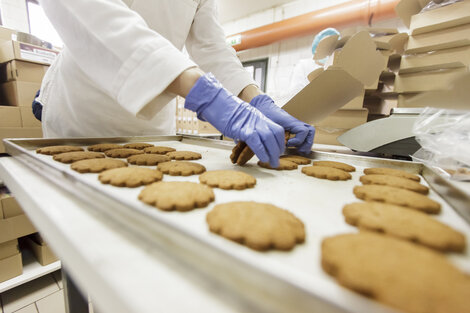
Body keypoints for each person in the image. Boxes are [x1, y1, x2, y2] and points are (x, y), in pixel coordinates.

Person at [37, 0, 315, 168]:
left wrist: (254, 98)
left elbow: (211, 45)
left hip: (152, 128)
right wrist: (206, 95)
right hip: (83, 116)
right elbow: (94, 16)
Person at [284, 28, 340, 100]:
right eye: (324, 45)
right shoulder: (303, 65)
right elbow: (294, 93)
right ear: (317, 47)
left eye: (331, 46)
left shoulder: (336, 68)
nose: (327, 50)